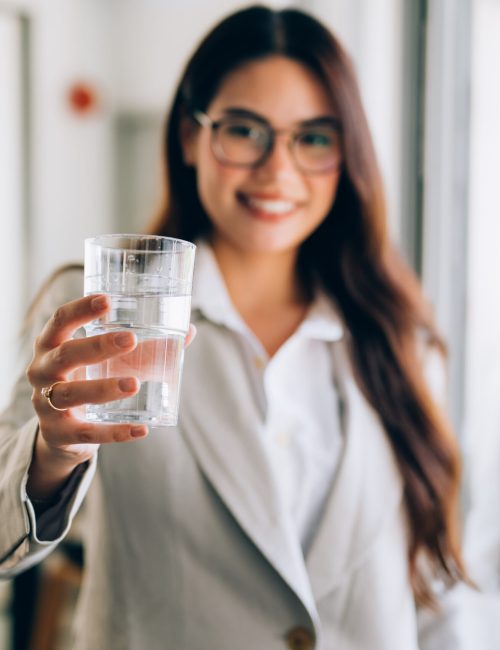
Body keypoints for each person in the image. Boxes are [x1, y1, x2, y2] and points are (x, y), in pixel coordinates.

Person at [0, 5, 480, 649]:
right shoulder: (100, 306)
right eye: (244, 130)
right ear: (191, 137)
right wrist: (52, 455)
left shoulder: (400, 337)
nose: (277, 170)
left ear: (348, 155)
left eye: (313, 137)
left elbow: (431, 587)